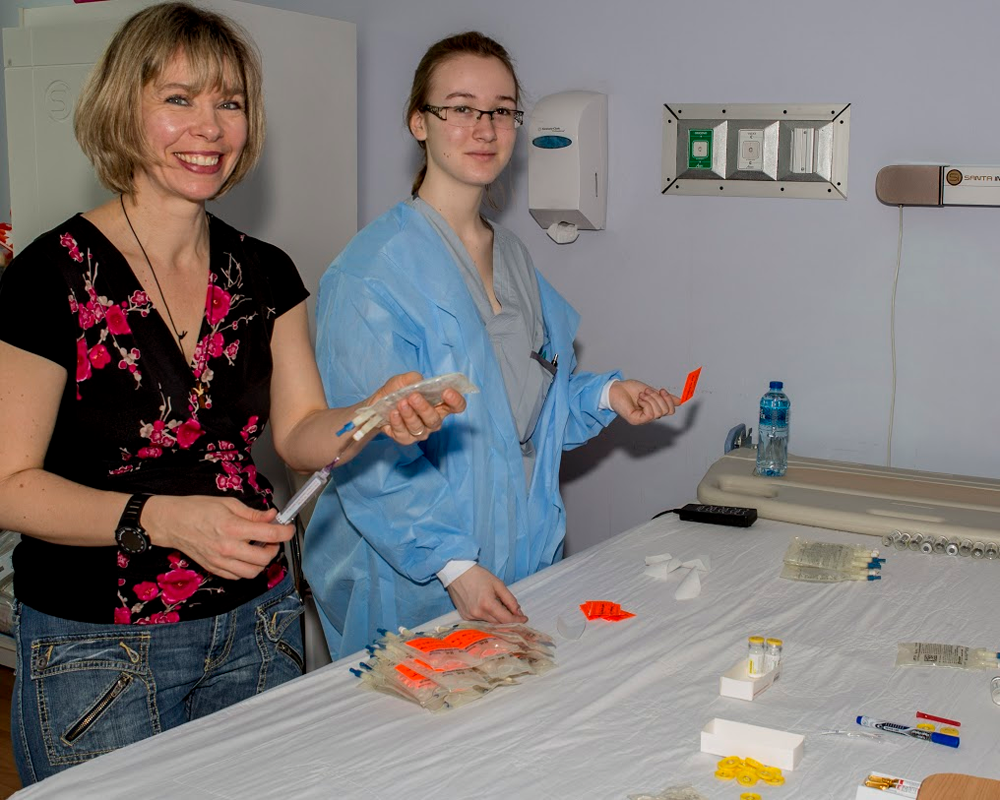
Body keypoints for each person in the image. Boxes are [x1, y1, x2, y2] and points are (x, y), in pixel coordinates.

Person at [0, 3, 464, 784]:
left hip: (258, 624)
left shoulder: (266, 272)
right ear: (124, 108)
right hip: (99, 646)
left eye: (230, 102)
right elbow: (9, 486)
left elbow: (300, 433)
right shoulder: (50, 278)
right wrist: (162, 519)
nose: (209, 127)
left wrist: (376, 414)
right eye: (178, 98)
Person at [305, 31, 681, 660]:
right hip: (413, 580)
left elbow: (521, 420)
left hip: (519, 561)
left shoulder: (513, 259)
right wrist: (453, 567)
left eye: (502, 111)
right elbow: (368, 451)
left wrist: (607, 395)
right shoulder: (371, 273)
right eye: (461, 107)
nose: (484, 128)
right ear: (419, 122)